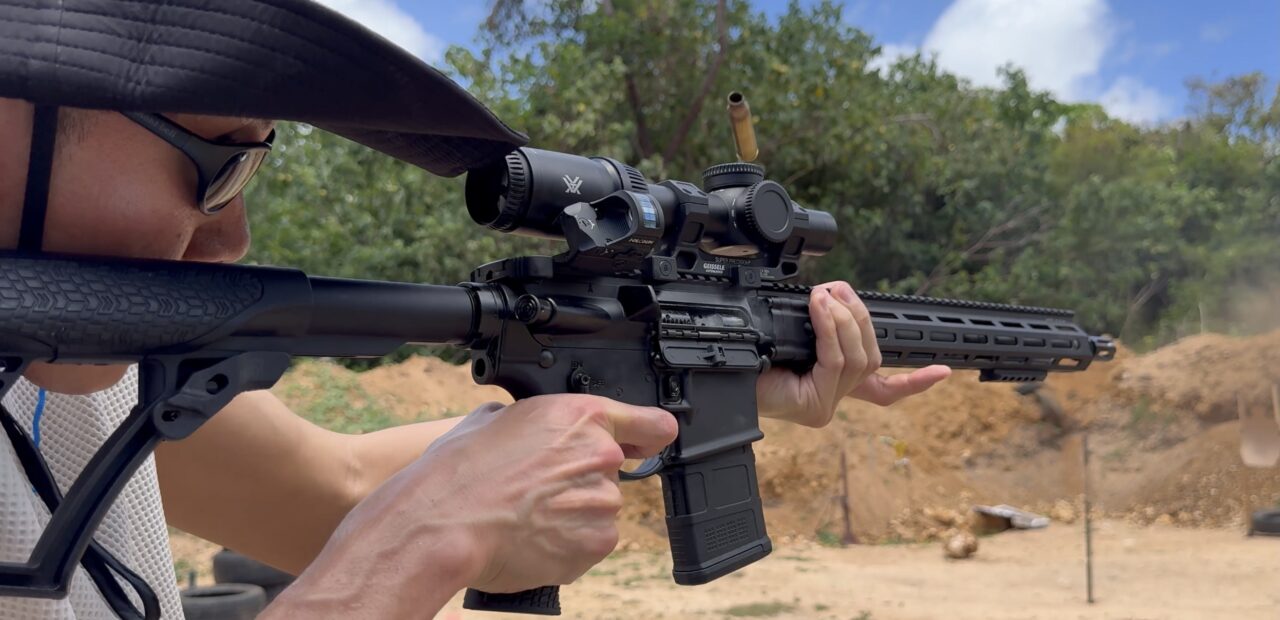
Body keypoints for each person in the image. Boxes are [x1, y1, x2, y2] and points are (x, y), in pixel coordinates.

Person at [0, 2, 950, 618]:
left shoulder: (78, 381)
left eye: (255, 168)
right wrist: (422, 542)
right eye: (218, 162)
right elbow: (393, 524)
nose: (233, 236)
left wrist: (711, 393)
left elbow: (333, 487)